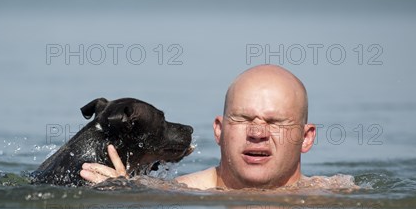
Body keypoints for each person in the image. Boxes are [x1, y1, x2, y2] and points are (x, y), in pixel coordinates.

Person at [80, 64, 317, 190]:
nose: (257, 134)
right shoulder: (173, 195)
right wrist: (123, 197)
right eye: (242, 119)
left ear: (306, 138)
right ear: (219, 131)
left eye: (275, 123)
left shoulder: (335, 197)